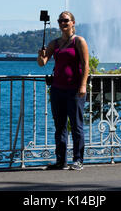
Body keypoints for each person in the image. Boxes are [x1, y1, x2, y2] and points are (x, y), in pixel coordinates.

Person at [37, 11, 89, 170]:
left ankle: (78, 160)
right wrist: (41, 55)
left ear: (73, 22)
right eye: (60, 21)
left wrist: (83, 85)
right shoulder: (55, 43)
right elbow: (42, 63)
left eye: (66, 20)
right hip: (57, 89)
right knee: (59, 126)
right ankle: (61, 161)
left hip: (74, 90)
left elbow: (86, 65)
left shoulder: (79, 41)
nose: (62, 23)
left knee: (76, 125)